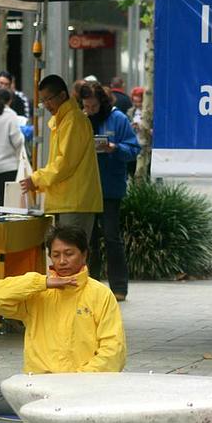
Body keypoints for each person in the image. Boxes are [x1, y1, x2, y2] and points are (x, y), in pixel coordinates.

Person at [0, 225, 127, 416]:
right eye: (56, 254)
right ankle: (56, 408)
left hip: (85, 383)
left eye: (69, 254)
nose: (62, 261)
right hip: (41, 384)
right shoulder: (39, 293)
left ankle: (54, 408)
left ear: (84, 255)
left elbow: (113, 351)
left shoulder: (100, 294)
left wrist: (79, 379)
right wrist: (43, 282)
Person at [19, 74, 103, 241]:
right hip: (67, 201)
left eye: (48, 99)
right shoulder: (64, 120)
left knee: (72, 255)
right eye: (42, 101)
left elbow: (64, 163)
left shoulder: (73, 120)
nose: (46, 105)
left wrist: (36, 179)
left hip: (75, 203)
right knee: (66, 255)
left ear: (63, 96)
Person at [79, 81, 139, 302]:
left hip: (110, 187)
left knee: (112, 237)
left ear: (101, 103)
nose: (90, 110)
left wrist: (114, 148)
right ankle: (91, 283)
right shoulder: (81, 119)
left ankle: (119, 286)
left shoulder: (118, 119)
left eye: (94, 107)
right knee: (89, 239)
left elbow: (134, 149)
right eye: (86, 106)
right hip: (86, 188)